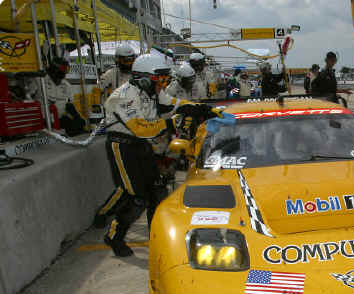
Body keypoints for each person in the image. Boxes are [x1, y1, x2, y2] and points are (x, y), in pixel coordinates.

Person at [102, 53, 220, 257]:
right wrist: (171, 123)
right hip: (122, 145)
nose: (164, 85)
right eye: (161, 79)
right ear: (145, 79)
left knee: (157, 191)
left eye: (166, 79)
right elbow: (140, 128)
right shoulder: (123, 96)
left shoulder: (153, 92)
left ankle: (156, 236)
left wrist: (204, 110)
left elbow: (176, 103)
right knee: (136, 197)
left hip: (142, 144)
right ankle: (114, 236)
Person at [30, 57, 85, 137]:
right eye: (63, 69)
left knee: (79, 125)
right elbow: (28, 97)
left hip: (60, 120)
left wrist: (76, 116)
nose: (65, 72)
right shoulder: (40, 80)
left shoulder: (66, 85)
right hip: (43, 121)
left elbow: (69, 103)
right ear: (55, 69)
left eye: (66, 70)